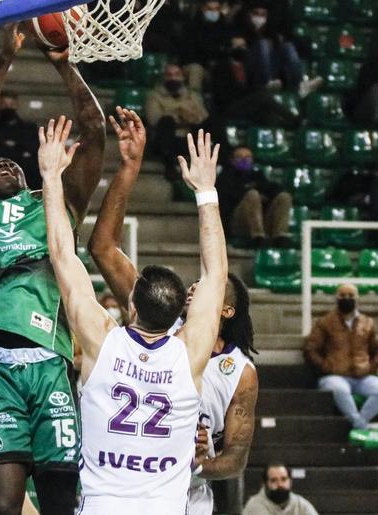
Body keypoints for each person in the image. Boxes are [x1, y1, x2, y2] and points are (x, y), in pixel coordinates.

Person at [0, 27, 104, 515]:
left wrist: (63, 62)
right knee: (4, 504)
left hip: (52, 366)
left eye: (12, 165)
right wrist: (4, 58)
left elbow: (94, 129)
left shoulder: (54, 207)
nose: (0, 163)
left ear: (29, 180)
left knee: (60, 502)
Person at [41, 117, 226, 512]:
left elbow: (62, 255)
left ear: (131, 305)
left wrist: (51, 177)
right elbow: (215, 275)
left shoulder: (100, 340)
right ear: (180, 313)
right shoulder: (190, 352)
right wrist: (206, 192)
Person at [87, 110, 259, 515]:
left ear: (225, 309)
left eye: (205, 289)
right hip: (121, 487)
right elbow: (103, 248)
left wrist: (199, 461)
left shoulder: (240, 372)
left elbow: (236, 460)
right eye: (193, 288)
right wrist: (128, 168)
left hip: (185, 498)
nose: (194, 289)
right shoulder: (160, 321)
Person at [302, 284, 378, 429]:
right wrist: (326, 366)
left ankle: (358, 422)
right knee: (340, 390)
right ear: (336, 298)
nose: (347, 299)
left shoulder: (367, 322)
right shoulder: (325, 322)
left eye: (351, 296)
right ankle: (360, 424)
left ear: (357, 299)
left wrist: (370, 368)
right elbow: (310, 349)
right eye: (343, 296)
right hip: (334, 376)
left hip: (362, 376)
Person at [215, 144, 293, 248]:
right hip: (237, 223)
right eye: (240, 157)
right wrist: (250, 194)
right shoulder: (225, 178)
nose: (244, 160)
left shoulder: (257, 176)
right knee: (252, 195)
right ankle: (257, 237)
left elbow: (272, 190)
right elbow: (227, 201)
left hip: (262, 219)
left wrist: (263, 196)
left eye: (247, 157)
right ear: (232, 160)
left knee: (284, 197)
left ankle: (280, 236)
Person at [146, 62, 210, 174]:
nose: (173, 78)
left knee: (212, 122)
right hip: (166, 139)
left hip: (189, 137)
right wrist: (181, 111)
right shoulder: (154, 96)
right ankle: (170, 166)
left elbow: (201, 117)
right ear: (164, 77)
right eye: (169, 75)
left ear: (182, 77)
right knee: (167, 121)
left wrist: (177, 113)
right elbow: (154, 119)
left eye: (176, 74)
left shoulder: (192, 95)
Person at [0, 91, 41, 190]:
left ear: (16, 105)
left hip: (29, 182)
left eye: (11, 104)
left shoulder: (29, 129)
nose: (8, 108)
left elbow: (33, 150)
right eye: (4, 105)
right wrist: (19, 150)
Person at [242, 463, 319, 515]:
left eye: (284, 479)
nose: (280, 484)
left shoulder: (300, 504)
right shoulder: (254, 505)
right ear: (265, 484)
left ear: (290, 481)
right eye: (273, 480)